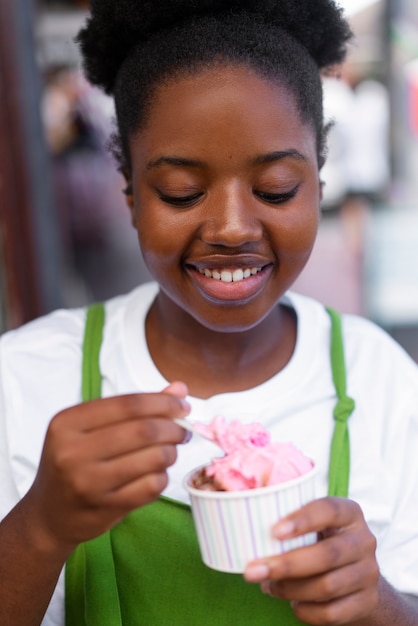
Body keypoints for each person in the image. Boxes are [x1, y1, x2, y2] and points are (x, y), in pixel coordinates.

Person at [0, 1, 417, 624]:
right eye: (181, 193)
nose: (230, 227)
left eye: (276, 188)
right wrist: (39, 528)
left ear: (320, 186)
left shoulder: (376, 376)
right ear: (132, 196)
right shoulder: (27, 379)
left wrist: (379, 604)